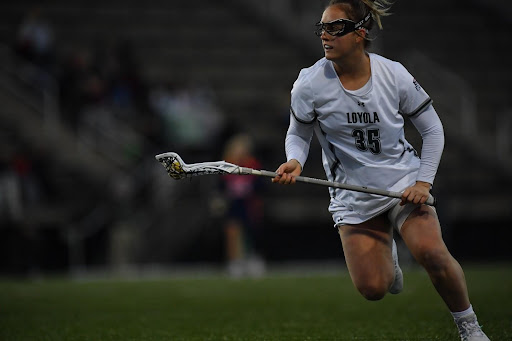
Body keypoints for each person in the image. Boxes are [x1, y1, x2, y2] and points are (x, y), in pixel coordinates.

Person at [272, 1, 490, 340]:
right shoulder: (309, 84)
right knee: (373, 288)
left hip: (402, 183)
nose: (325, 36)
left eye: (335, 28)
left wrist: (422, 181)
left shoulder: (395, 74)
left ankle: (470, 328)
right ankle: (388, 250)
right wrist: (295, 160)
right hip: (353, 195)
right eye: (322, 28)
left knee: (432, 253)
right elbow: (298, 132)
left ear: (360, 33)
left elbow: (433, 130)